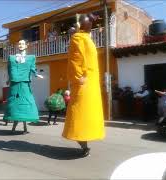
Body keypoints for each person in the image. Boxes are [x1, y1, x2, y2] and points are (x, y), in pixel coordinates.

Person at [62, 13, 105, 157]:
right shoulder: (87, 40)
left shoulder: (78, 39)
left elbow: (75, 60)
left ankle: (84, 144)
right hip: (90, 82)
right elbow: (78, 59)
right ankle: (84, 144)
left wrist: (77, 78)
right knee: (85, 113)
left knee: (80, 114)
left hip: (84, 82)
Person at [3, 40, 43, 134]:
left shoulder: (31, 58)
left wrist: (36, 74)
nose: (20, 45)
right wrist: (9, 79)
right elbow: (9, 69)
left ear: (26, 45)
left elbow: (32, 68)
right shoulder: (12, 58)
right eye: (19, 43)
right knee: (15, 104)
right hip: (14, 84)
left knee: (25, 104)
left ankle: (24, 128)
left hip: (24, 83)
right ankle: (14, 127)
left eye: (22, 44)